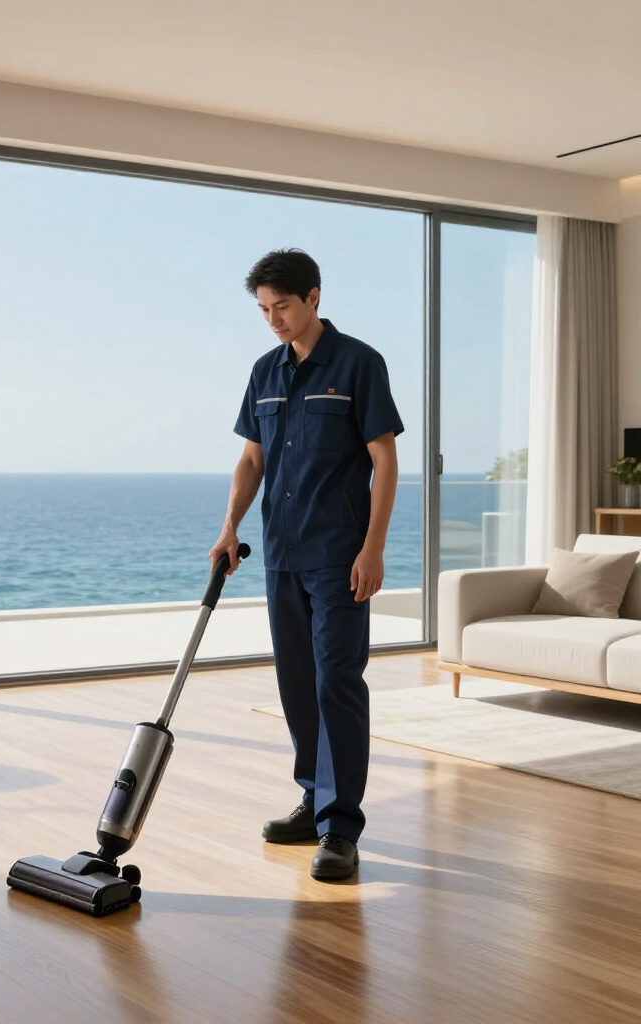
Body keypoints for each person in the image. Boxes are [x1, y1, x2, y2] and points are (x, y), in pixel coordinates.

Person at [209, 248, 403, 882]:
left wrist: (373, 547)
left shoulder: (357, 364)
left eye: (283, 307)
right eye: (264, 310)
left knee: (337, 682)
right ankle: (313, 800)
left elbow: (384, 461)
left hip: (340, 555)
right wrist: (230, 526)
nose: (274, 320)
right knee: (296, 682)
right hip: (282, 552)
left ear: (314, 297)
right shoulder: (265, 371)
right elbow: (251, 461)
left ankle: (341, 828)